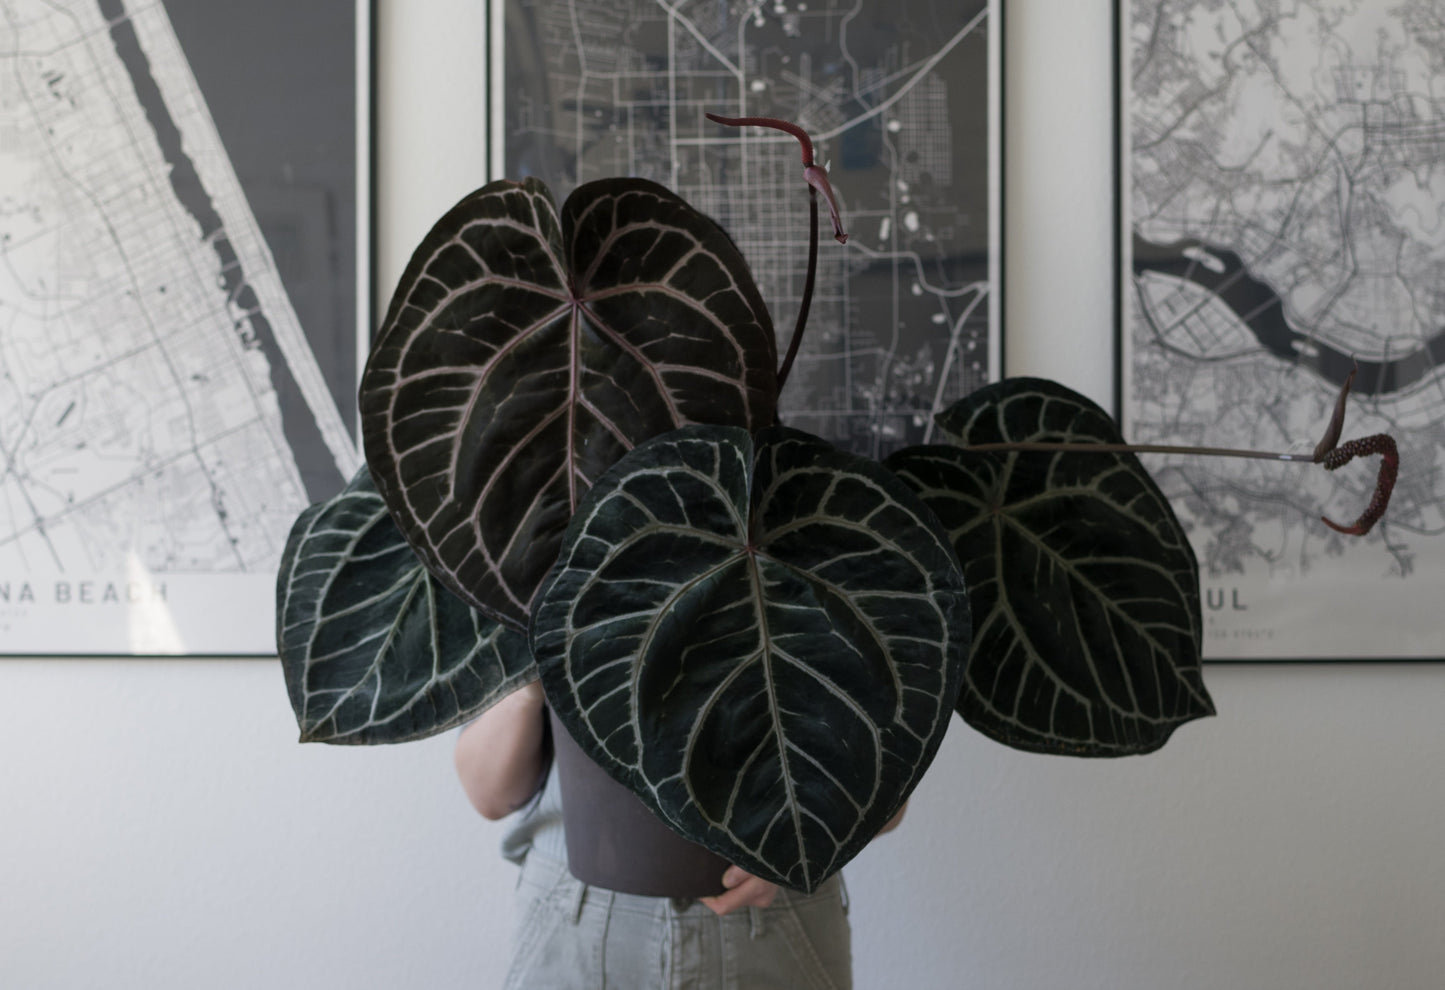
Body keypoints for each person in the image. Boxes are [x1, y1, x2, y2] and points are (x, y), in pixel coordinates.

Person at [455, 680, 904, 989]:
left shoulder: (824, 543)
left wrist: (800, 840)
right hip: (575, 920)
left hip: (775, 920)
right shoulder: (528, 544)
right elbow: (489, 794)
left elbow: (892, 794)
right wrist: (526, 675)